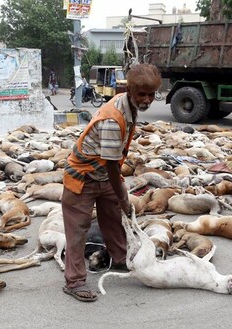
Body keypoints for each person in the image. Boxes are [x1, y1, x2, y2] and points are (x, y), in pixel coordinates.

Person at [61, 63, 162, 302]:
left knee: (114, 219)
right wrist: (124, 197)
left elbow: (112, 165)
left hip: (104, 174)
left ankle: (120, 259)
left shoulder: (130, 107)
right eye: (142, 94)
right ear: (130, 90)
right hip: (83, 177)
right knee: (78, 231)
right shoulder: (111, 119)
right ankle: (74, 281)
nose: (147, 99)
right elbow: (111, 164)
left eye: (151, 94)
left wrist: (119, 198)